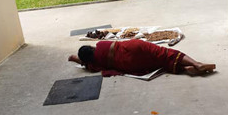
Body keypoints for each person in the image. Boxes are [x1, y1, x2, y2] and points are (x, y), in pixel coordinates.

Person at [68, 39, 215, 77]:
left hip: (132, 65)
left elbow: (82, 63)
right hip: (134, 47)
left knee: (159, 63)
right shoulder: (101, 44)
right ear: (92, 48)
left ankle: (185, 69)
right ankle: (197, 64)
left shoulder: (95, 64)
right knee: (165, 54)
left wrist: (75, 58)